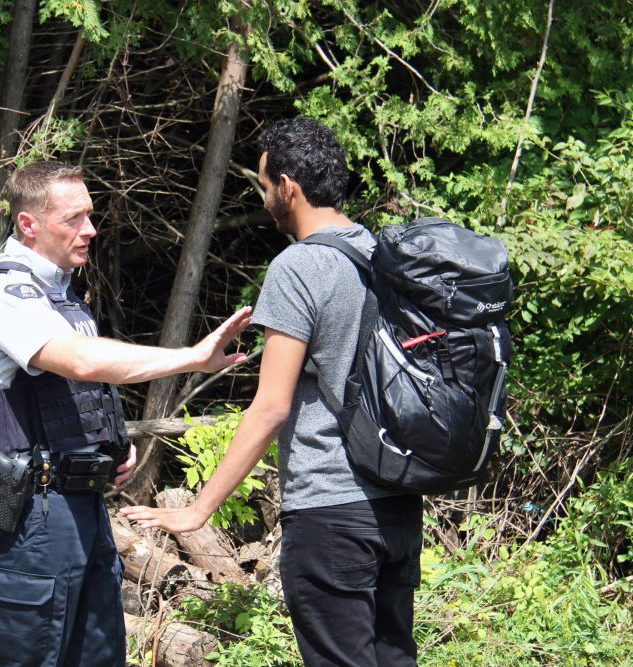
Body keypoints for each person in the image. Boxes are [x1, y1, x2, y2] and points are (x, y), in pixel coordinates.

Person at [120, 118, 423, 667]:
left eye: (263, 186)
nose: (264, 201)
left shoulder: (300, 266)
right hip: (397, 506)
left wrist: (198, 510)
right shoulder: (380, 254)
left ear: (289, 187)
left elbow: (271, 407)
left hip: (331, 511)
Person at [0, 159, 252, 667]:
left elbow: (75, 390)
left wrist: (109, 443)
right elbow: (83, 361)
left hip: (82, 506)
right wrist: (193, 357)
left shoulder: (60, 296)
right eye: (73, 218)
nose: (90, 229)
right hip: (33, 513)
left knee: (97, 655)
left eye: (90, 215)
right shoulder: (2, 292)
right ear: (28, 224)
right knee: (29, 654)